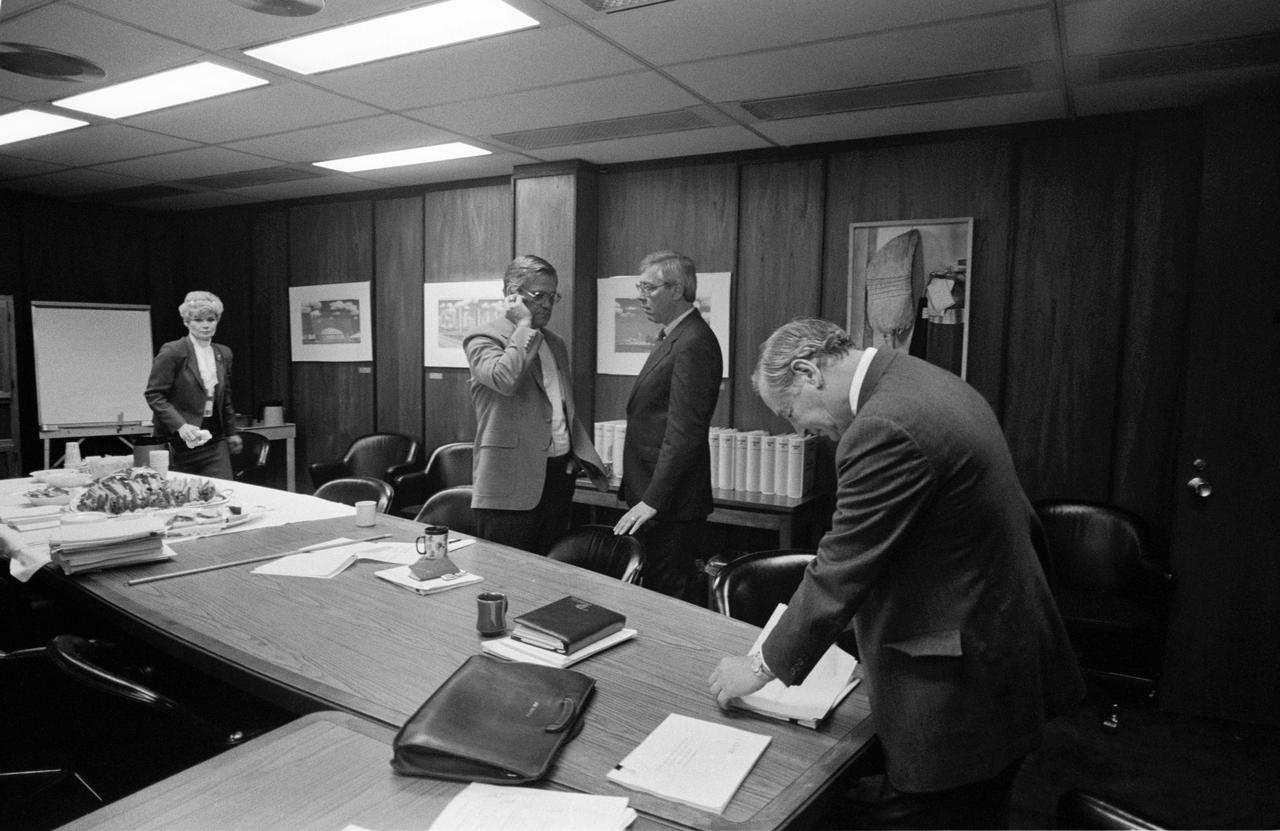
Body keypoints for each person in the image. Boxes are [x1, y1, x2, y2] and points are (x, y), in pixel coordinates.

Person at [709, 318, 1083, 830]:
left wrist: (757, 668)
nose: (799, 431)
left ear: (806, 371)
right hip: (1000, 633)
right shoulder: (920, 379)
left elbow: (840, 568)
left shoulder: (884, 426)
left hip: (964, 682)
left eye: (789, 412)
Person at [465, 255, 609, 555]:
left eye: (552, 296)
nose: (547, 304)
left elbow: (560, 404)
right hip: (509, 483)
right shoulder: (482, 337)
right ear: (512, 294)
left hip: (557, 477)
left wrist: (572, 453)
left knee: (551, 576)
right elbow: (505, 379)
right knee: (507, 579)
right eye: (538, 295)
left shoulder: (555, 343)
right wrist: (524, 324)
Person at [612, 251, 722, 601]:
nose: (641, 296)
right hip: (656, 497)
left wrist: (652, 500)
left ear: (677, 290)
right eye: (639, 287)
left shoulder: (694, 341)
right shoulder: (675, 335)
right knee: (653, 593)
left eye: (649, 288)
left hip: (669, 505)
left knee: (665, 599)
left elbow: (684, 432)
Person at [144, 291, 242, 479]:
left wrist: (231, 432)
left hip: (213, 441)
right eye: (198, 320)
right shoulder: (173, 351)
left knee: (224, 492)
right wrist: (181, 425)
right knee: (182, 497)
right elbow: (154, 395)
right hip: (178, 442)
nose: (205, 325)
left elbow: (225, 397)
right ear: (186, 322)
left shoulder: (224, 353)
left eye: (211, 319)